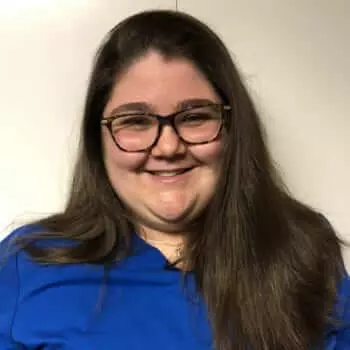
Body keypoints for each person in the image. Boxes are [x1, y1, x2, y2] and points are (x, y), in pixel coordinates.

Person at [0, 9, 349, 350]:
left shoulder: (305, 250)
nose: (168, 147)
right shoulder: (27, 262)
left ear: (232, 130)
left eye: (195, 117)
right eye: (136, 121)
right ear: (98, 139)